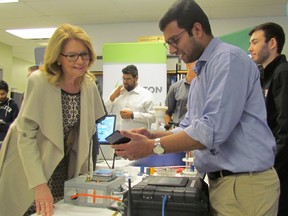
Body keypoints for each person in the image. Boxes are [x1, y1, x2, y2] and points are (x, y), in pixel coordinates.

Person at [112, 0, 280, 215]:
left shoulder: (227, 60)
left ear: (197, 29)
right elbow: (191, 126)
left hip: (246, 186)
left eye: (175, 40)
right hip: (225, 184)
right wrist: (151, 133)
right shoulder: (202, 72)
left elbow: (210, 131)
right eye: (168, 43)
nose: (172, 49)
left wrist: (152, 145)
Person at [0, 23, 106, 216]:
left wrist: (86, 177)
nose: (80, 61)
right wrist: (39, 185)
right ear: (58, 57)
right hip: (31, 166)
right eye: (72, 55)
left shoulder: (88, 84)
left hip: (62, 166)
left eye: (84, 54)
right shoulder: (39, 81)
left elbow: (88, 134)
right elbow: (26, 136)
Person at [249, 22, 288, 216]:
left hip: (279, 170)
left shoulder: (282, 74)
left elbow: (284, 128)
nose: (250, 48)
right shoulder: (265, 76)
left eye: (255, 42)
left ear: (272, 43)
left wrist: (270, 166)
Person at [105, 64, 156, 131]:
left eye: (128, 79)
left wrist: (133, 115)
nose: (125, 82)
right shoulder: (116, 92)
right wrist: (111, 98)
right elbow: (105, 113)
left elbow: (153, 117)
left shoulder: (146, 95)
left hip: (137, 138)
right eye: (123, 78)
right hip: (117, 137)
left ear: (136, 78)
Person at [165, 62, 196, 128]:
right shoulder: (175, 87)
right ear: (188, 65)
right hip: (178, 129)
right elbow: (167, 112)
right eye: (197, 63)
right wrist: (168, 128)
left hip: (197, 130)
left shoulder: (204, 88)